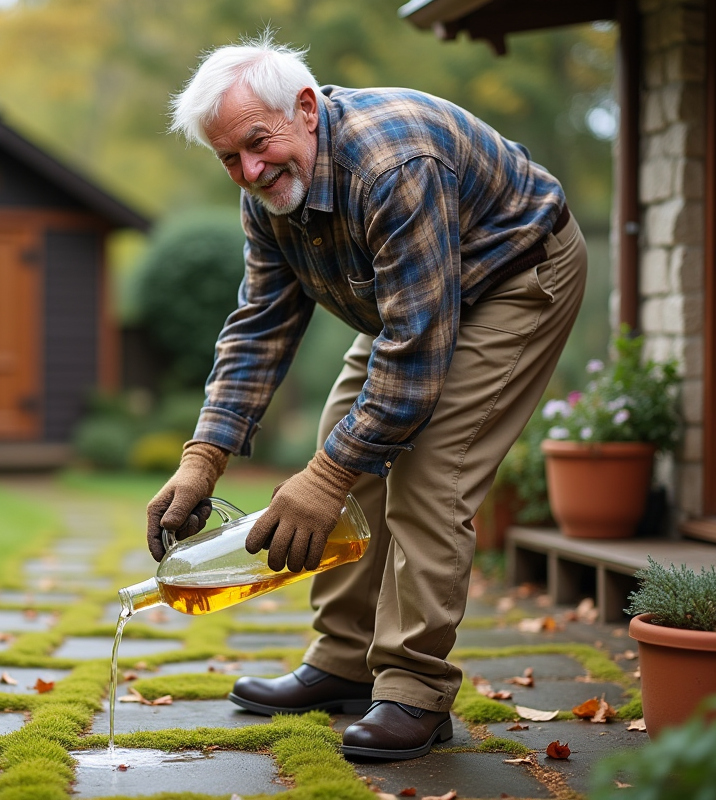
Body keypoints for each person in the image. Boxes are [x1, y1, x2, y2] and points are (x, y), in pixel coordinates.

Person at [146, 33, 587, 761]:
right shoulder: (266, 198)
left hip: (513, 276)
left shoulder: (394, 162)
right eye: (230, 157)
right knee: (343, 442)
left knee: (428, 475)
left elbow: (415, 359)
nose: (250, 170)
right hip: (413, 297)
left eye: (257, 143)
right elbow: (258, 327)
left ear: (307, 109)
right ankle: (344, 661)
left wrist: (324, 478)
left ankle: (414, 690)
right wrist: (202, 459)